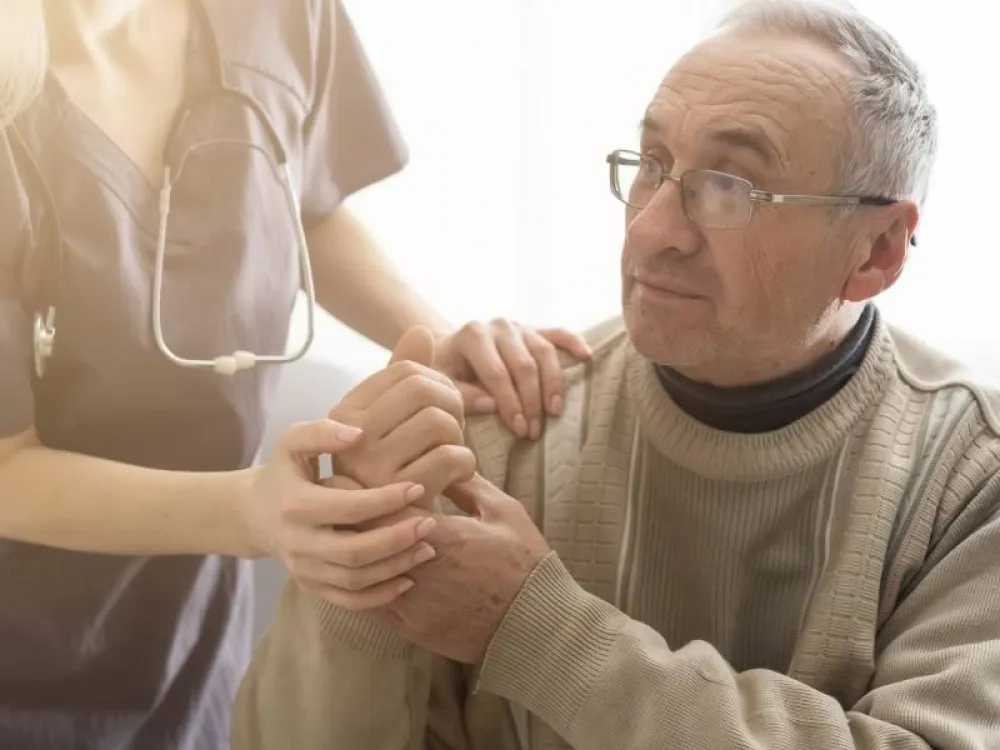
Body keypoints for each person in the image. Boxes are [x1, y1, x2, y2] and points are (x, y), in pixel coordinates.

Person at [232, 1, 1000, 748]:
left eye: (730, 187)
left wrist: (536, 629)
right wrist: (357, 562)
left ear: (876, 252)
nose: (653, 229)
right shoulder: (497, 427)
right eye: (654, 165)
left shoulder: (972, 477)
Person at [0, 0, 592, 747]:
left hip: (185, 632)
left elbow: (296, 198)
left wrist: (437, 337)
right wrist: (253, 513)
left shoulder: (277, 13)